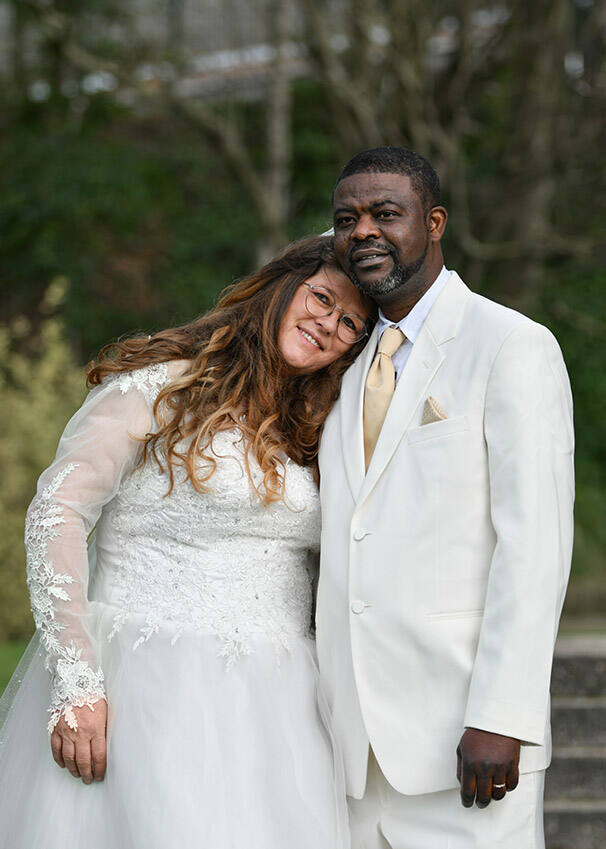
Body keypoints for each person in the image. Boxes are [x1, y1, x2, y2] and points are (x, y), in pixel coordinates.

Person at [0, 236, 374, 849]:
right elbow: (56, 515)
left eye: (351, 323)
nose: (329, 324)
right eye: (322, 298)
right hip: (145, 693)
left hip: (279, 712)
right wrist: (75, 680)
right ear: (282, 286)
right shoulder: (159, 388)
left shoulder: (316, 429)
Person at [315, 147, 574, 849]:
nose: (363, 231)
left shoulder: (511, 344)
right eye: (347, 219)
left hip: (465, 744)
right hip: (348, 757)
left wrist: (502, 715)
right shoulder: (339, 360)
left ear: (433, 223)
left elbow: (535, 547)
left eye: (385, 213)